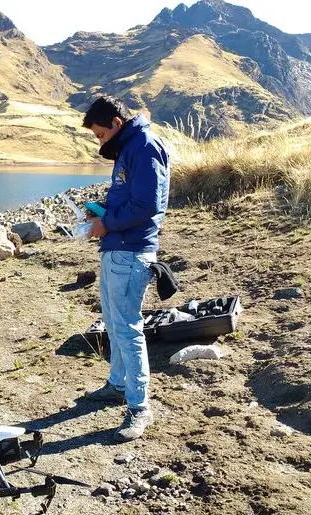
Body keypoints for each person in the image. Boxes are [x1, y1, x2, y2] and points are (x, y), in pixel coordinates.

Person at [80, 95, 170, 442]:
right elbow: (128, 196)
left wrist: (107, 223)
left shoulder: (144, 147)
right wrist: (103, 210)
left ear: (116, 124)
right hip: (117, 248)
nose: (100, 143)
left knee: (128, 328)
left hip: (131, 252)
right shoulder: (130, 147)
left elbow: (148, 205)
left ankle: (139, 406)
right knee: (115, 323)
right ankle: (118, 384)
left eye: (101, 135)